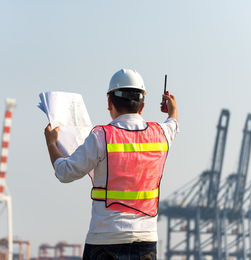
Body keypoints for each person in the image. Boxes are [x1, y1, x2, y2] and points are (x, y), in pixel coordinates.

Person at [44, 69, 178, 260]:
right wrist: (172, 108)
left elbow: (64, 173)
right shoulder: (161, 135)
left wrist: (51, 142)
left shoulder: (101, 136)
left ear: (109, 102)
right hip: (146, 241)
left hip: (105, 240)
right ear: (142, 106)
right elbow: (173, 123)